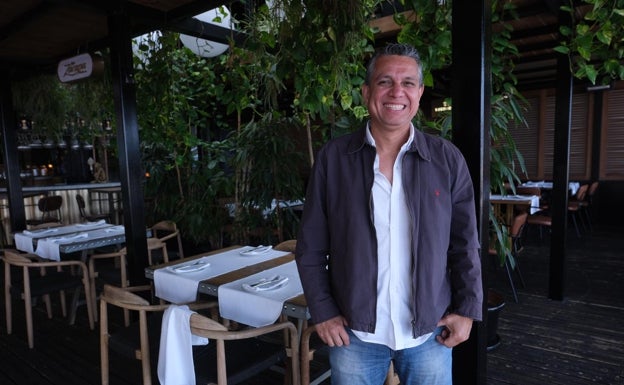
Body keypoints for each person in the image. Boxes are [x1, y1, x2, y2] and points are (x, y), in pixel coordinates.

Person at [295, 43, 483, 385]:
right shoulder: (334, 159)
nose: (397, 91)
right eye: (385, 82)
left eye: (408, 82)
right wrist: (323, 312)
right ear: (367, 91)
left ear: (420, 92)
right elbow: (310, 248)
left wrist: (467, 310)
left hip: (429, 332)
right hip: (354, 335)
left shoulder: (446, 160)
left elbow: (465, 243)